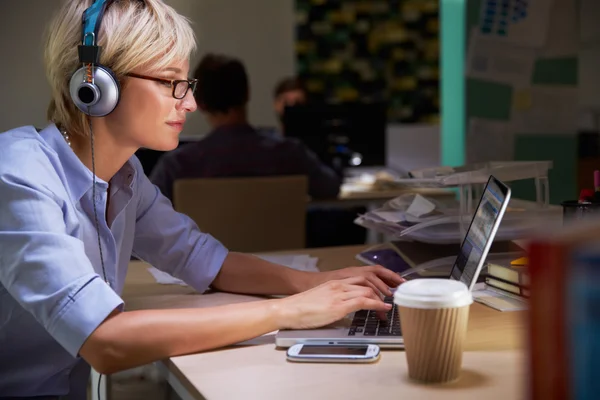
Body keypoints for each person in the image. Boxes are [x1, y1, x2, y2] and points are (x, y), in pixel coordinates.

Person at [0, 0, 403, 398]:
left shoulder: (126, 175)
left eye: (187, 83)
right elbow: (105, 341)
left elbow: (203, 259)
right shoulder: (19, 174)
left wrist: (313, 284)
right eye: (168, 81)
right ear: (95, 84)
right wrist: (290, 311)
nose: (189, 102)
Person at [149, 54, 340, 202]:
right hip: (278, 252)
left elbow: (143, 215)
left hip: (206, 253)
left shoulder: (177, 166)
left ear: (199, 102)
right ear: (247, 93)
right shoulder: (290, 153)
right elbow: (330, 188)